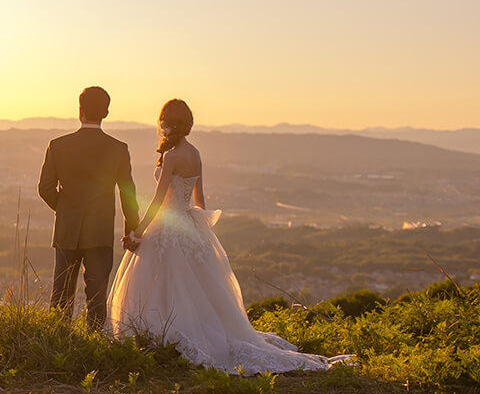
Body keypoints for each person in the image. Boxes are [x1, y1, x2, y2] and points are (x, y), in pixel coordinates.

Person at [108, 99, 351, 373]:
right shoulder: (195, 154)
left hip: (168, 226)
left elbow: (157, 200)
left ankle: (161, 340)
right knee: (195, 288)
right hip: (190, 225)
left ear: (164, 123)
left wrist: (137, 232)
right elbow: (200, 201)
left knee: (164, 286)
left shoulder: (171, 156)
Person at [38, 86, 141, 331]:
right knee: (96, 298)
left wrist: (64, 211)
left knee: (61, 295)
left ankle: (57, 344)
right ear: (106, 112)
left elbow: (45, 188)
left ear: (80, 110)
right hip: (101, 231)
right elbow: (128, 194)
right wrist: (131, 230)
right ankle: (94, 346)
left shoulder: (58, 145)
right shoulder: (118, 149)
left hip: (67, 230)